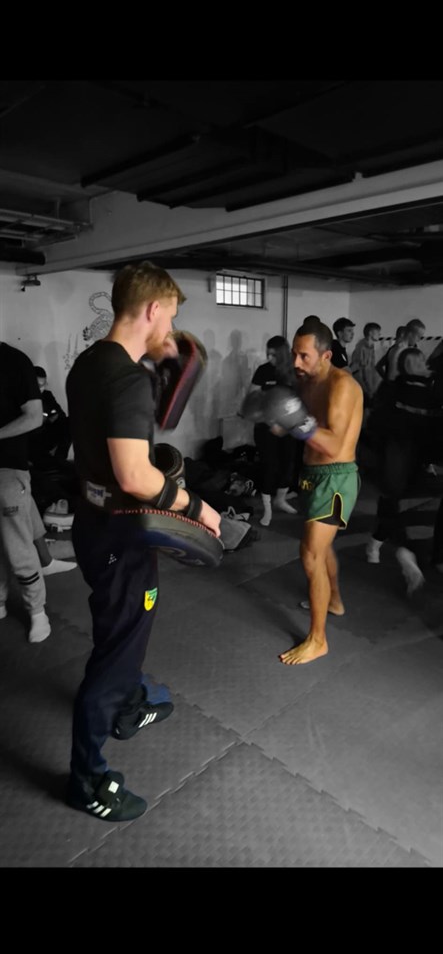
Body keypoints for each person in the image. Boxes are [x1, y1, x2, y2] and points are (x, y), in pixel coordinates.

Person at [65, 261, 221, 822]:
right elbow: (134, 476)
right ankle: (87, 779)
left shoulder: (89, 363)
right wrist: (197, 506)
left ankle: (129, 700)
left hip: (92, 524)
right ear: (153, 309)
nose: (172, 329)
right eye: (170, 316)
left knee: (119, 627)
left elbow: (109, 448)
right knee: (116, 650)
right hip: (121, 535)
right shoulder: (128, 378)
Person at [243, 321, 363, 664]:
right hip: (310, 475)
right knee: (322, 550)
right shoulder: (305, 382)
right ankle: (334, 600)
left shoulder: (342, 386)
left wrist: (295, 421)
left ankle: (318, 640)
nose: (296, 362)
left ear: (326, 355)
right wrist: (272, 415)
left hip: (336, 480)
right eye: (294, 354)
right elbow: (290, 426)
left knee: (310, 554)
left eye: (304, 356)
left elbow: (334, 444)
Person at [0, 341, 76, 643]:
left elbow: (34, 418)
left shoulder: (13, 361)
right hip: (26, 466)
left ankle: (37, 611)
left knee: (17, 545)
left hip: (9, 468)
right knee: (12, 535)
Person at [366, 347, 443, 592]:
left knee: (395, 504)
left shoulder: (398, 390)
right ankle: (399, 550)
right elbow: (434, 433)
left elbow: (375, 423)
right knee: (406, 509)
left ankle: (383, 546)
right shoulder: (429, 395)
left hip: (399, 462)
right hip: (411, 464)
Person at [249, 336, 298, 526]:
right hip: (265, 427)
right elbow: (252, 398)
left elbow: (298, 399)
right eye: (267, 353)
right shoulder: (263, 370)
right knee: (269, 466)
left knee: (288, 464)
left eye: (273, 354)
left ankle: (280, 499)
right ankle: (267, 508)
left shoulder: (293, 372)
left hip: (287, 427)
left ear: (283, 354)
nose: (269, 358)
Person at [29, 366, 72, 463]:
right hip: (32, 438)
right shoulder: (24, 398)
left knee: (70, 422)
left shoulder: (47, 395)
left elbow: (60, 414)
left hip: (47, 432)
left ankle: (60, 459)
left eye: (43, 384)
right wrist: (48, 414)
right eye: (37, 385)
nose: (41, 388)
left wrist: (47, 417)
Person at [349, 322, 382, 409]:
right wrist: (367, 389)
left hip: (368, 384)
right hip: (362, 385)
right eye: (378, 332)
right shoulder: (361, 347)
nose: (380, 334)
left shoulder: (371, 346)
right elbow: (358, 369)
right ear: (370, 333)